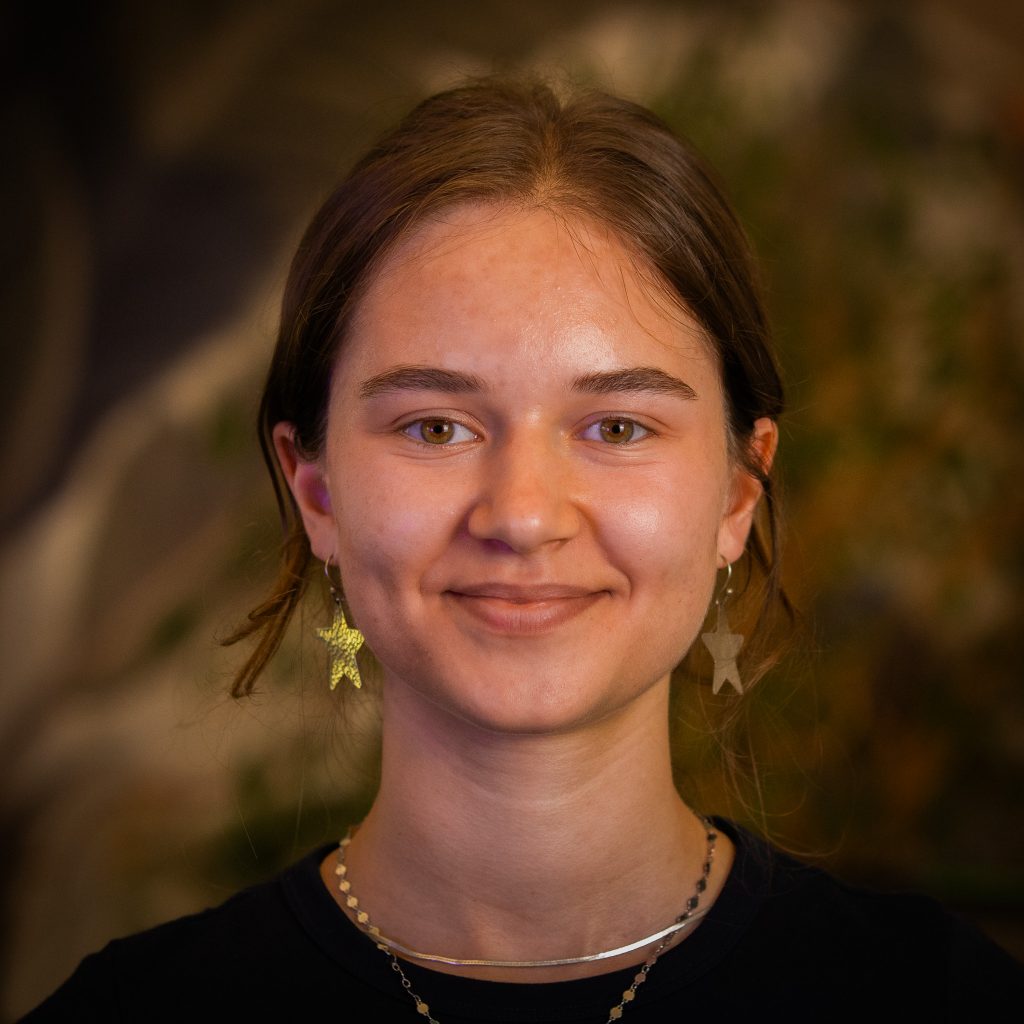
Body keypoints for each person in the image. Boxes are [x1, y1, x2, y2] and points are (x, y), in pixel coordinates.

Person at [24, 76, 1021, 1023]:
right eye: (436, 427)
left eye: (617, 427)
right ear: (314, 490)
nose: (523, 515)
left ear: (736, 493)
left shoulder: (938, 1001)